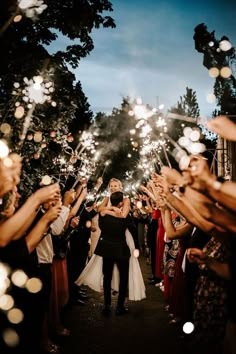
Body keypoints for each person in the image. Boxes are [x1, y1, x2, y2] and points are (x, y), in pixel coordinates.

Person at [95, 191, 131, 315]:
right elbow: (124, 216)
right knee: (123, 278)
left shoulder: (103, 214)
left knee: (107, 278)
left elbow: (101, 210)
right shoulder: (124, 216)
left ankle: (107, 306)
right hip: (121, 249)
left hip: (107, 249)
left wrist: (109, 208)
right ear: (121, 203)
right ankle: (120, 307)